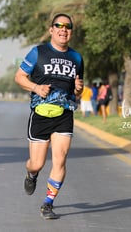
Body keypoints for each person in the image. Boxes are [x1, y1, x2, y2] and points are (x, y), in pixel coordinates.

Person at [14, 13, 84, 219]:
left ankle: (48, 203)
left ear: (71, 31)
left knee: (60, 161)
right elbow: (19, 77)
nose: (63, 29)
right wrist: (35, 87)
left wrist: (79, 89)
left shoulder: (77, 58)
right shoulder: (38, 52)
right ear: (51, 29)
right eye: (59, 25)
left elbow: (77, 89)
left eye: (67, 26)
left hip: (64, 114)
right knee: (37, 163)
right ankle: (31, 174)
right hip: (41, 114)